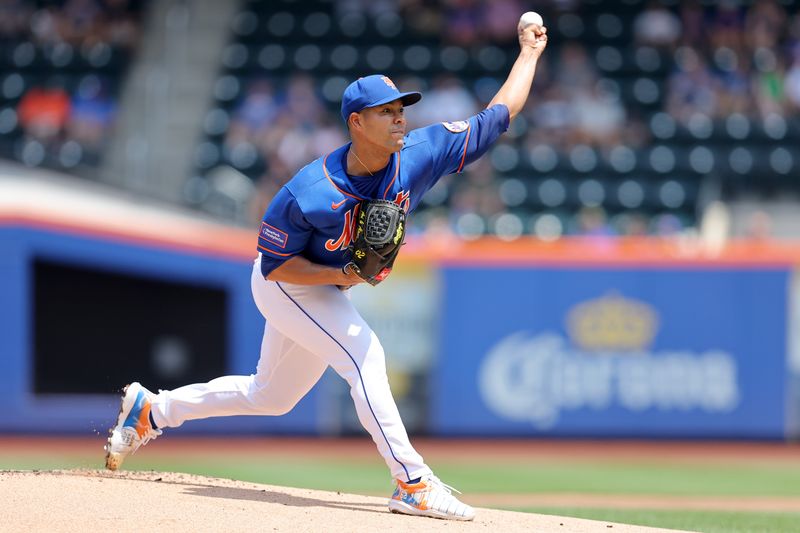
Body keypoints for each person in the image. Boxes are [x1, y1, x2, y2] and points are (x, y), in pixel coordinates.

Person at [105, 18, 548, 522]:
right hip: (289, 284)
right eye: (387, 112)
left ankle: (151, 409)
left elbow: (499, 114)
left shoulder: (421, 154)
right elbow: (276, 267)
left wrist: (529, 54)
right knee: (365, 355)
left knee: (269, 396)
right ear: (357, 122)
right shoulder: (306, 192)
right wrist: (347, 279)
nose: (401, 119)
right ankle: (413, 482)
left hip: (326, 287)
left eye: (403, 110)